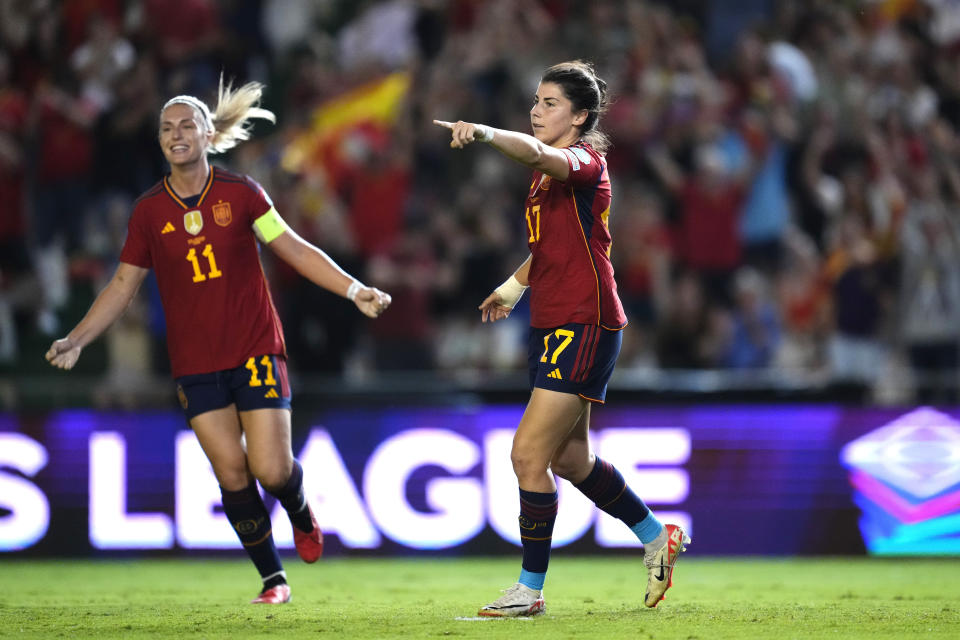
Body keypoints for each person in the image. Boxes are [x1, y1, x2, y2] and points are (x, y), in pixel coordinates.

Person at [46, 77, 392, 604]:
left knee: (272, 469)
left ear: (208, 136)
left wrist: (353, 288)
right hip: (194, 362)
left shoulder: (243, 193)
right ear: (160, 141)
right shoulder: (148, 212)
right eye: (167, 128)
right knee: (231, 472)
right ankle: (273, 579)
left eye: (187, 125)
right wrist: (77, 338)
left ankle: (299, 509)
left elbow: (293, 248)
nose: (176, 134)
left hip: (255, 346)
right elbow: (122, 286)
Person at [435, 60, 690, 617]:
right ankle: (656, 536)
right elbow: (548, 249)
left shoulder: (582, 161)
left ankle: (529, 591)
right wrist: (511, 287)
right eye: (536, 100)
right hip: (553, 322)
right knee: (572, 461)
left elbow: (534, 151)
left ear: (579, 117)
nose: (536, 110)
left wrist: (481, 131)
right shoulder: (546, 179)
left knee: (527, 455)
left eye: (550, 103)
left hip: (585, 320)